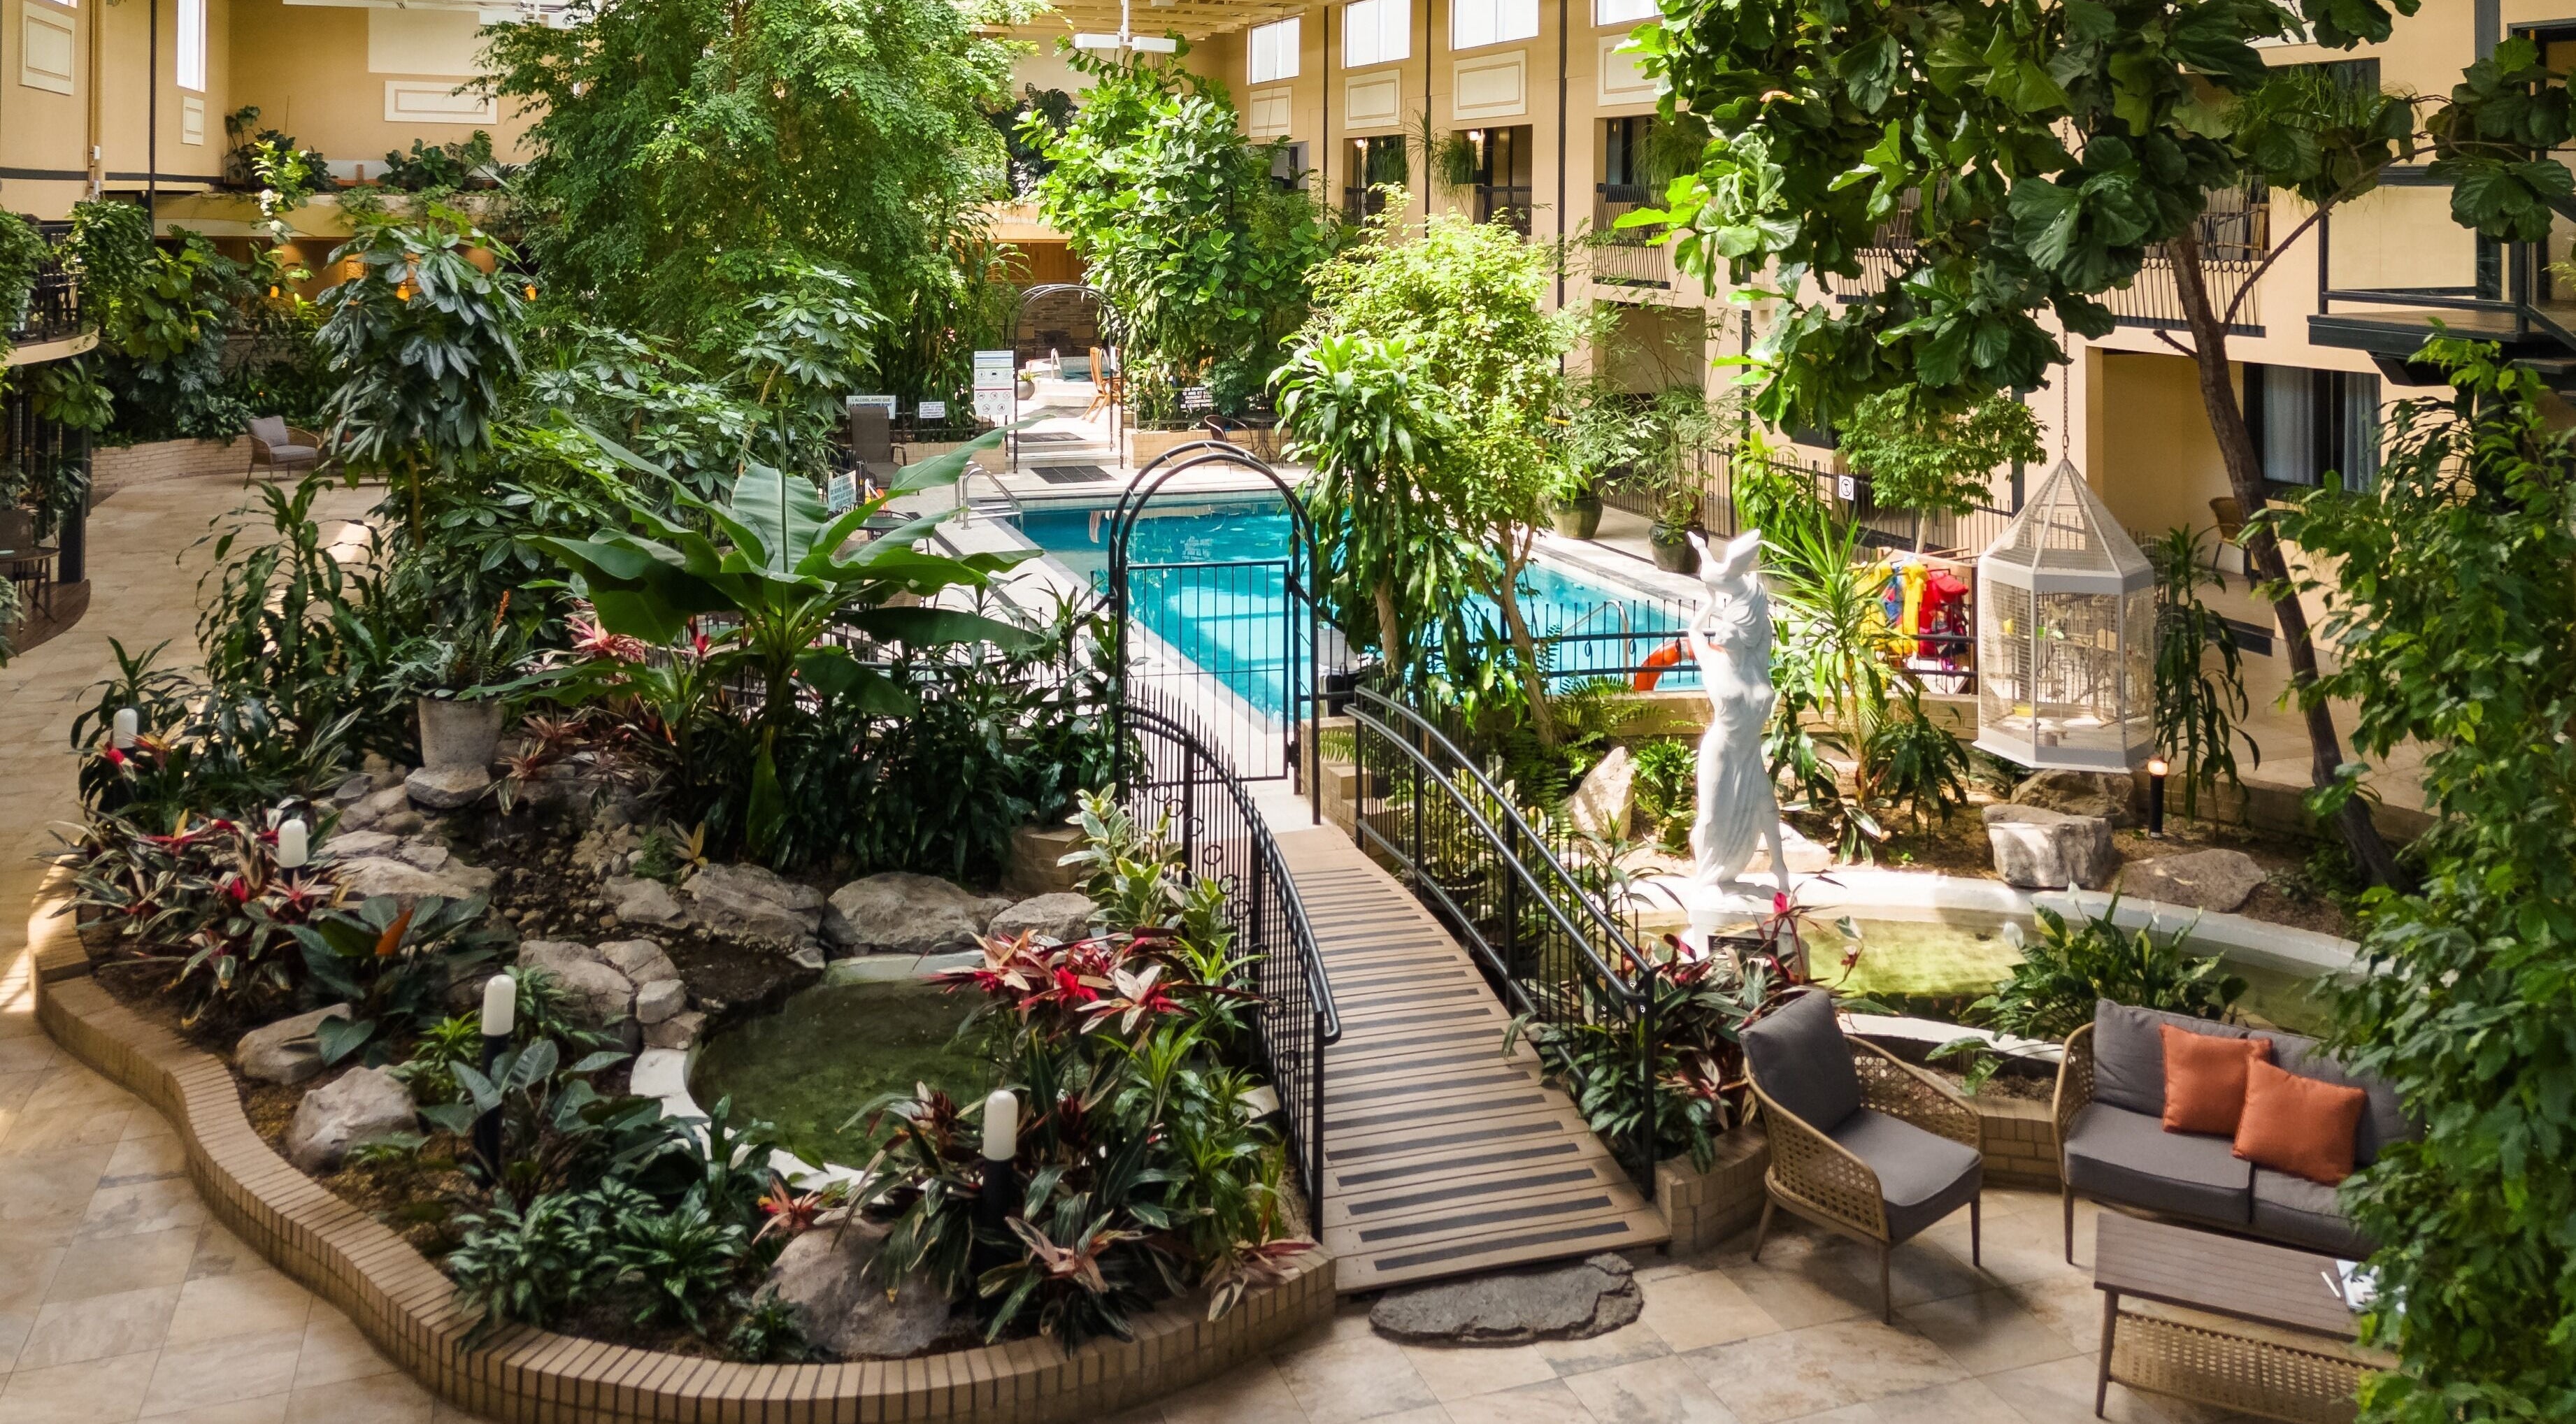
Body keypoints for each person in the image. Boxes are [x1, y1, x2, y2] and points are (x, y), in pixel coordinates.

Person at [1687, 530, 1793, 894]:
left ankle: (1781, 872)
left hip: (1749, 754)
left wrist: (1744, 592)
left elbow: (1761, 623)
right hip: (1721, 751)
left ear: (1744, 633)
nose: (1721, 634)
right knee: (1712, 817)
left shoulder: (1757, 663)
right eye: (1722, 627)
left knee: (1769, 810)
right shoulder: (1713, 663)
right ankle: (1705, 878)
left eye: (1730, 628)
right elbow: (1695, 632)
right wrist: (1710, 604)